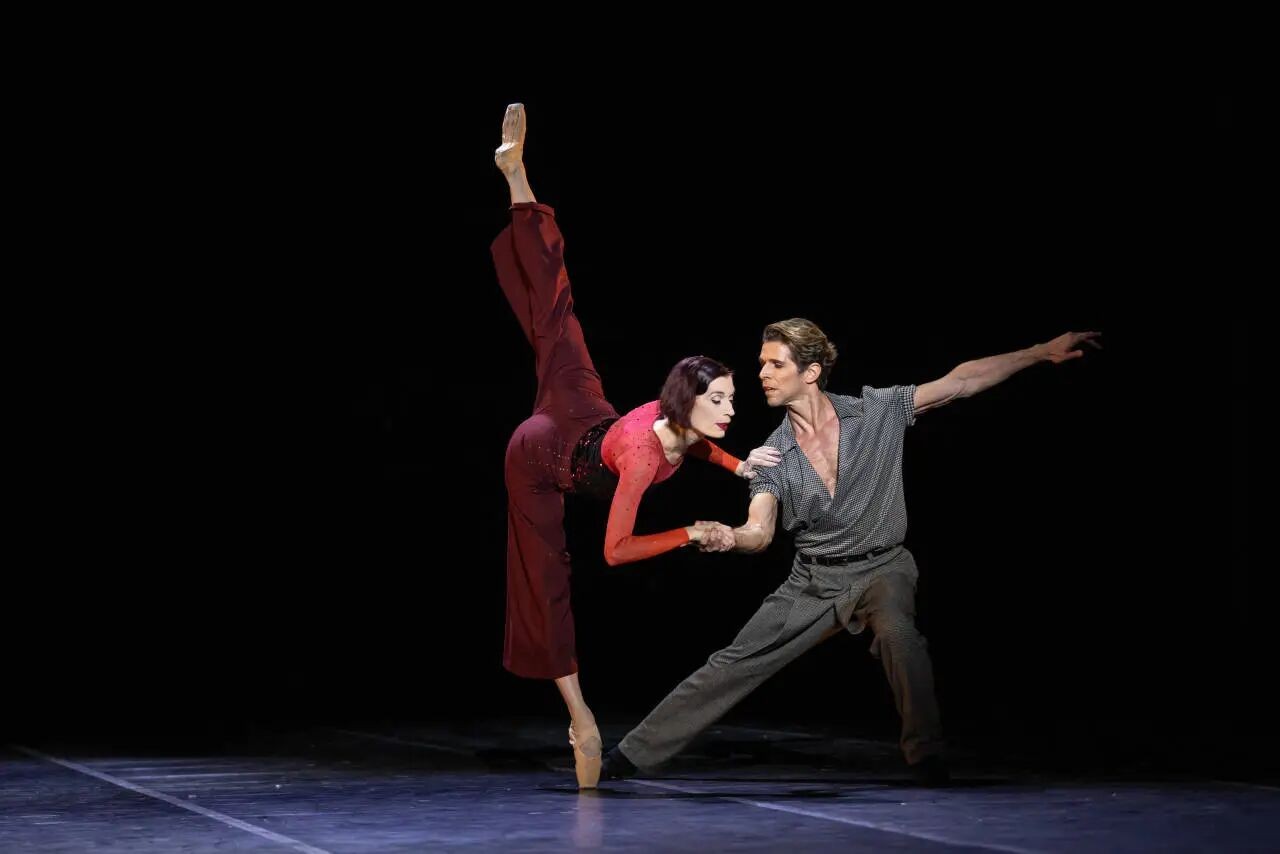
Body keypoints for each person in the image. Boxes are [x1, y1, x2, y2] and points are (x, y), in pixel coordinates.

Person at [601, 317, 1101, 785]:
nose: (762, 375)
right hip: (814, 580)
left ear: (811, 372)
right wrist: (729, 536)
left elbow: (960, 382)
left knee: (899, 634)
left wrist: (1040, 352)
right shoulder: (774, 455)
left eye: (775, 364)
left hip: (882, 567)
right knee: (735, 660)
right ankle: (632, 754)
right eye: (761, 364)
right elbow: (759, 531)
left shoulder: (875, 412)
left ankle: (926, 756)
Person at [491, 103, 780, 788]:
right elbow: (616, 551)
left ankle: (514, 177)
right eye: (720, 401)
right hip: (541, 455)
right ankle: (581, 717)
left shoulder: (680, 426)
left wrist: (741, 465)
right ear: (687, 403)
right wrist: (690, 533)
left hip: (582, 404)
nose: (731, 411)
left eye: (731, 399)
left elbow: (698, 448)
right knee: (547, 578)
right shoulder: (647, 458)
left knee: (557, 313)